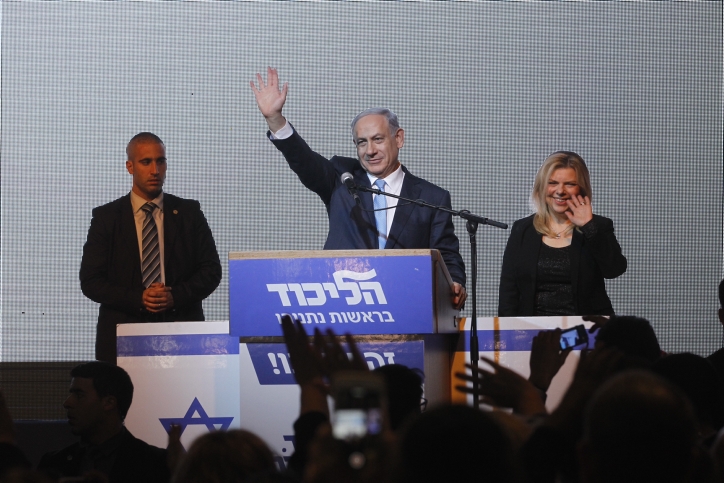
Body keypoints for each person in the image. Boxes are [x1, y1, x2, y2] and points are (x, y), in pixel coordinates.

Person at [250, 68, 466, 309]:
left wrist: (455, 283)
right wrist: (275, 120)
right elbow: (304, 159)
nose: (370, 150)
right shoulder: (342, 179)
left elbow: (447, 255)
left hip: (406, 306)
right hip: (343, 306)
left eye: (378, 139)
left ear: (399, 139)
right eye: (362, 142)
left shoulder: (431, 197)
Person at [80, 133, 222, 364]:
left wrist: (174, 296)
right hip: (122, 337)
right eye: (146, 162)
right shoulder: (106, 217)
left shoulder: (189, 213)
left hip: (182, 336)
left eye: (161, 161)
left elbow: (211, 271)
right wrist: (139, 298)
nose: (155, 170)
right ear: (130, 166)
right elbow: (91, 281)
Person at [498, 151, 626, 316]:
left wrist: (588, 226)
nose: (560, 191)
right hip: (532, 332)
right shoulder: (522, 229)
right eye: (552, 183)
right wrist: (506, 336)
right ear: (542, 186)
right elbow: (509, 292)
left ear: (581, 188)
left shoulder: (598, 226)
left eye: (570, 184)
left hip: (586, 332)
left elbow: (614, 269)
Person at [38, 362, 171, 483]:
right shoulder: (53, 464)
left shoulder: (156, 464)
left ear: (109, 403)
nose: (67, 403)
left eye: (79, 395)